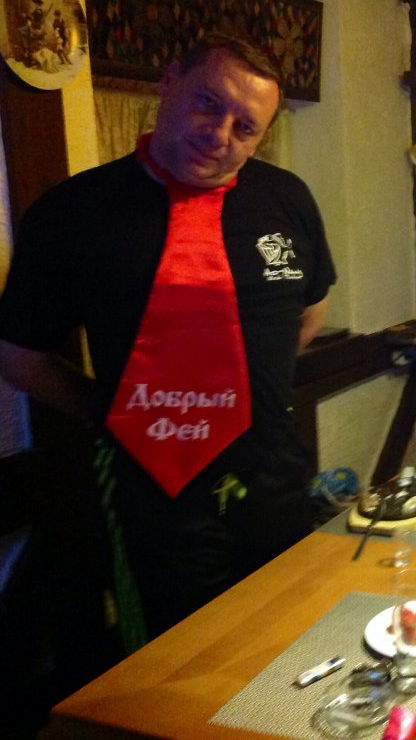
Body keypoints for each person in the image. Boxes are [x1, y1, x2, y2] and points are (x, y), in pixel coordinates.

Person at [0, 34, 335, 647]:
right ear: (169, 80)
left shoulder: (286, 198)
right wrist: (106, 409)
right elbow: (20, 356)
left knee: (289, 642)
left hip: (274, 481)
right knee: (174, 661)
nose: (220, 134)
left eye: (246, 127)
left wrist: (243, 392)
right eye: (209, 102)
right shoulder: (73, 212)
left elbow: (310, 310)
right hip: (151, 500)